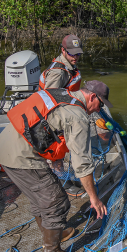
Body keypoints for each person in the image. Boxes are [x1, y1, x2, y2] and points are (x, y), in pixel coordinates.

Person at [0, 80, 111, 252]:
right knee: (56, 201)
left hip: (5, 146)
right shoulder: (78, 116)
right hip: (20, 157)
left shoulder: (62, 92)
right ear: (92, 97)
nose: (98, 109)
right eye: (100, 104)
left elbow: (44, 122)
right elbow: (82, 165)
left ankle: (53, 233)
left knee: (41, 197)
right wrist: (94, 198)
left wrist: (56, 156)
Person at [39, 34, 84, 196]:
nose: (75, 57)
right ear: (63, 51)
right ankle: (62, 183)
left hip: (66, 114)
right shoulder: (58, 73)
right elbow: (49, 100)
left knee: (65, 148)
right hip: (54, 119)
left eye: (78, 53)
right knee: (56, 152)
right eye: (72, 53)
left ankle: (65, 176)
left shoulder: (69, 67)